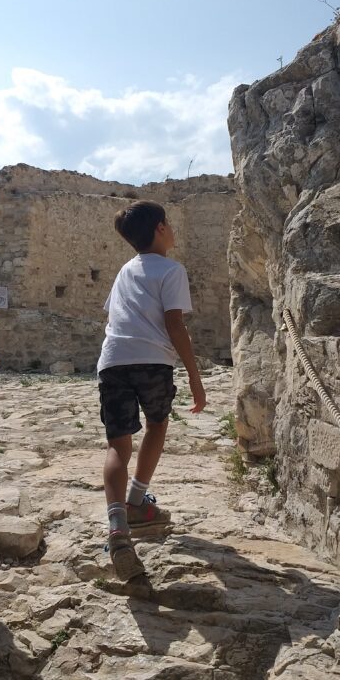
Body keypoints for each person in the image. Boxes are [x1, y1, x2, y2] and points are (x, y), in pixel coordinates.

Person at [96, 200, 206, 581]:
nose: (173, 229)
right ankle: (138, 501)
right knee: (157, 424)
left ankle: (117, 526)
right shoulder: (172, 270)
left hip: (112, 360)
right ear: (160, 228)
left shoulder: (124, 271)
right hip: (152, 361)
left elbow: (112, 314)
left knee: (117, 445)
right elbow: (174, 324)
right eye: (170, 224)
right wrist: (194, 374)